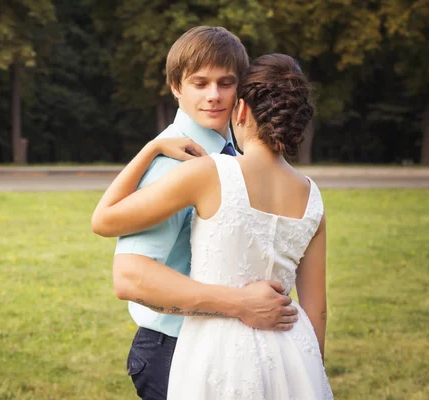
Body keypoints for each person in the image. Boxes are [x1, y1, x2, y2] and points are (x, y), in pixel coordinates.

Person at [92, 53, 333, 399]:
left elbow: (104, 219)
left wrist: (151, 148)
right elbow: (318, 309)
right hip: (292, 350)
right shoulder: (312, 196)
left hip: (217, 352)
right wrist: (311, 368)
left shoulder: (211, 172)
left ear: (242, 110)